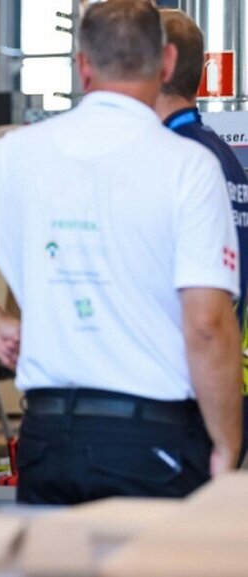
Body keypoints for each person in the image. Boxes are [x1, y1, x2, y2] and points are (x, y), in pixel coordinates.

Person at [0, 0, 242, 505]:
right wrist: (227, 448)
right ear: (165, 63)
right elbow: (208, 325)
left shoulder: (18, 152)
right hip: (151, 443)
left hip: (49, 441)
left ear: (83, 66)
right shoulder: (188, 165)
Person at [154, 8, 248, 467]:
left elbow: (203, 314)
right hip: (224, 387)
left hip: (183, 398)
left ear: (163, 64)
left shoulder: (178, 159)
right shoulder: (222, 156)